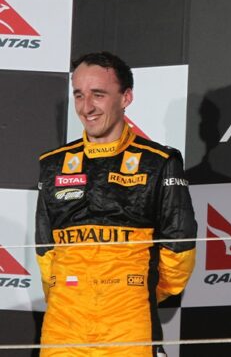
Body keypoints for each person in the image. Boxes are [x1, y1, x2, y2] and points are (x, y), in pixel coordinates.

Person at [35, 52, 197, 356]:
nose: (86, 107)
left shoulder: (159, 162)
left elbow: (180, 248)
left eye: (98, 95)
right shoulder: (53, 164)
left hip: (129, 321)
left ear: (126, 97)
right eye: (79, 95)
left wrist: (134, 290)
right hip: (63, 324)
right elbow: (45, 251)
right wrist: (71, 290)